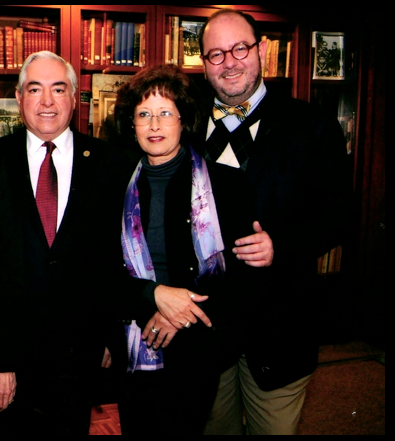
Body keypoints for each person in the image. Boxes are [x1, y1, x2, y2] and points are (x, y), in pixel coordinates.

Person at [196, 9, 352, 435]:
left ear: (261, 50)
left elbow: (339, 213)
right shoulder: (182, 123)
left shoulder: (312, 125)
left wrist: (279, 245)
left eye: (239, 48)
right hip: (206, 330)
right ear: (203, 64)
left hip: (280, 329)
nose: (229, 62)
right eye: (216, 54)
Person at [0, 51, 131, 434]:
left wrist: (109, 336)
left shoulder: (111, 164)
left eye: (59, 89)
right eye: (35, 89)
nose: (47, 101)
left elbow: (118, 258)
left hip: (80, 354)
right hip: (10, 353)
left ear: (74, 97)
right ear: (19, 98)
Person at [113, 63, 260, 435]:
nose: (155, 125)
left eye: (165, 113)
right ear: (132, 124)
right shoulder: (112, 186)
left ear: (184, 120)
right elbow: (99, 269)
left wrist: (178, 313)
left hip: (198, 347)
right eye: (144, 114)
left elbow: (240, 277)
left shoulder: (226, 185)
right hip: (134, 339)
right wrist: (154, 296)